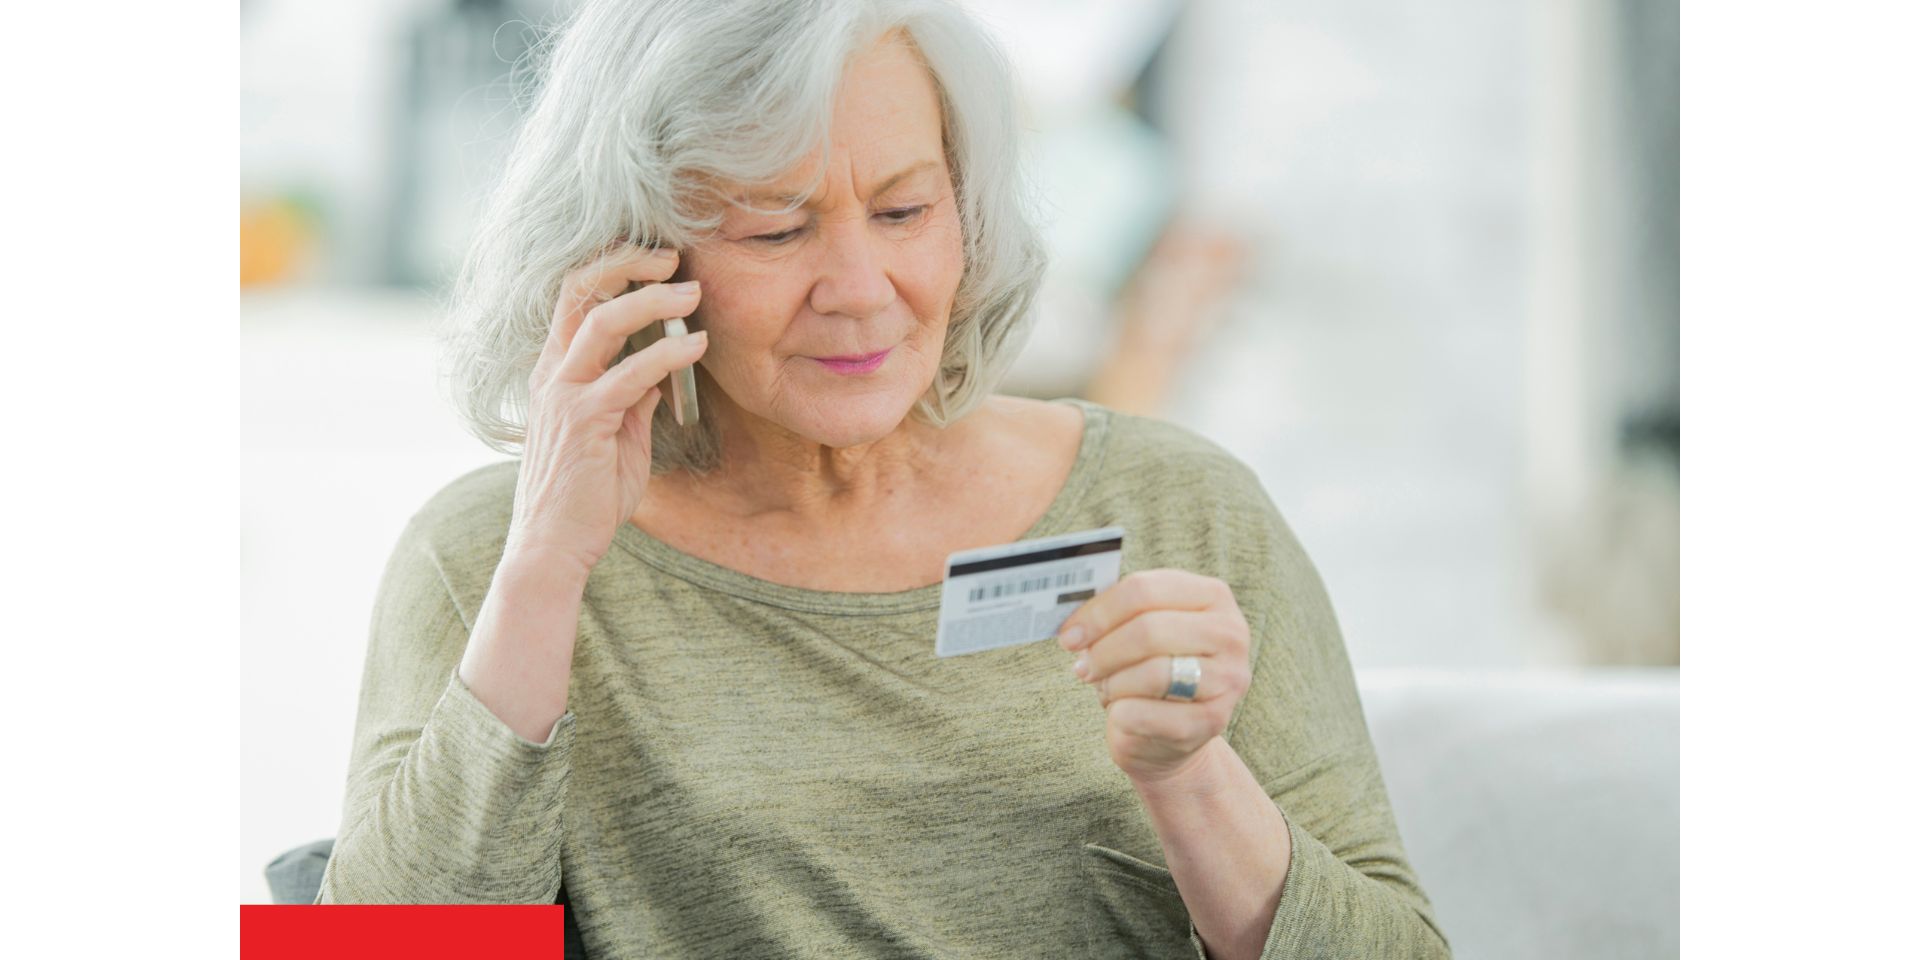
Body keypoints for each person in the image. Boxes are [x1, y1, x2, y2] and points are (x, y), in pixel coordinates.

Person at [316, 1, 1449, 957]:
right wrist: (546, 572)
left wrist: (1192, 777)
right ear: (636, 257)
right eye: (775, 230)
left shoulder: (1180, 503)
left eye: (904, 211)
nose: (861, 288)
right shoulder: (488, 558)